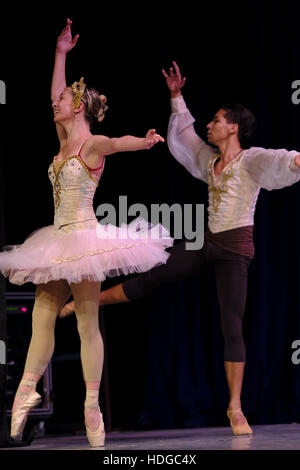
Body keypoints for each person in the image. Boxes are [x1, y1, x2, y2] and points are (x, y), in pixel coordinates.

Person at [60, 61, 300, 436]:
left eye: (217, 120)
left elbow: (281, 159)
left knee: (231, 324)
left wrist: (297, 159)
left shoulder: (250, 161)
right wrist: (176, 96)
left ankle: (235, 408)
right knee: (156, 273)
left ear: (233, 127)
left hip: (235, 250)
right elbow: (186, 138)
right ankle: (88, 300)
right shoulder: (211, 161)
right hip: (209, 243)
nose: (210, 124)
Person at [0, 19, 172, 448]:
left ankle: (91, 406)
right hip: (57, 238)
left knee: (86, 319)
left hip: (85, 238)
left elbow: (118, 142)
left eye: (62, 101)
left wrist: (145, 142)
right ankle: (26, 389)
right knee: (42, 312)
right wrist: (61, 53)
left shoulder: (90, 144)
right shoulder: (62, 139)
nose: (55, 104)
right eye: (57, 100)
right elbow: (53, 94)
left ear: (77, 107)